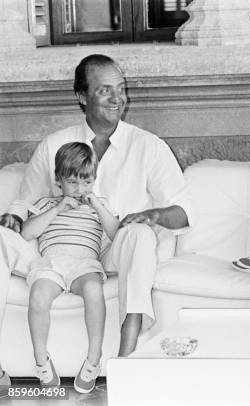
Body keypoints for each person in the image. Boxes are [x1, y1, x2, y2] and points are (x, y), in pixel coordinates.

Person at [0, 54, 195, 367]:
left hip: (115, 248)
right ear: (82, 96)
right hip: (59, 249)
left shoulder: (148, 145)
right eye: (105, 90)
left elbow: (184, 211)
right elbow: (25, 202)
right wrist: (14, 216)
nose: (117, 97)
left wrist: (153, 215)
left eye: (120, 88)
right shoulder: (54, 144)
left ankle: (127, 356)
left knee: (140, 234)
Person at [21, 142, 118, 392]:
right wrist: (56, 209)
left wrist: (97, 205)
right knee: (38, 295)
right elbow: (27, 232)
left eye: (86, 182)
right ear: (58, 180)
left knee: (94, 291)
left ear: (94, 180)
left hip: (84, 264)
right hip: (51, 264)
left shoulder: (100, 205)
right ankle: (41, 362)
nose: (79, 189)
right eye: (73, 182)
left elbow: (117, 233)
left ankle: (93, 360)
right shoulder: (45, 204)